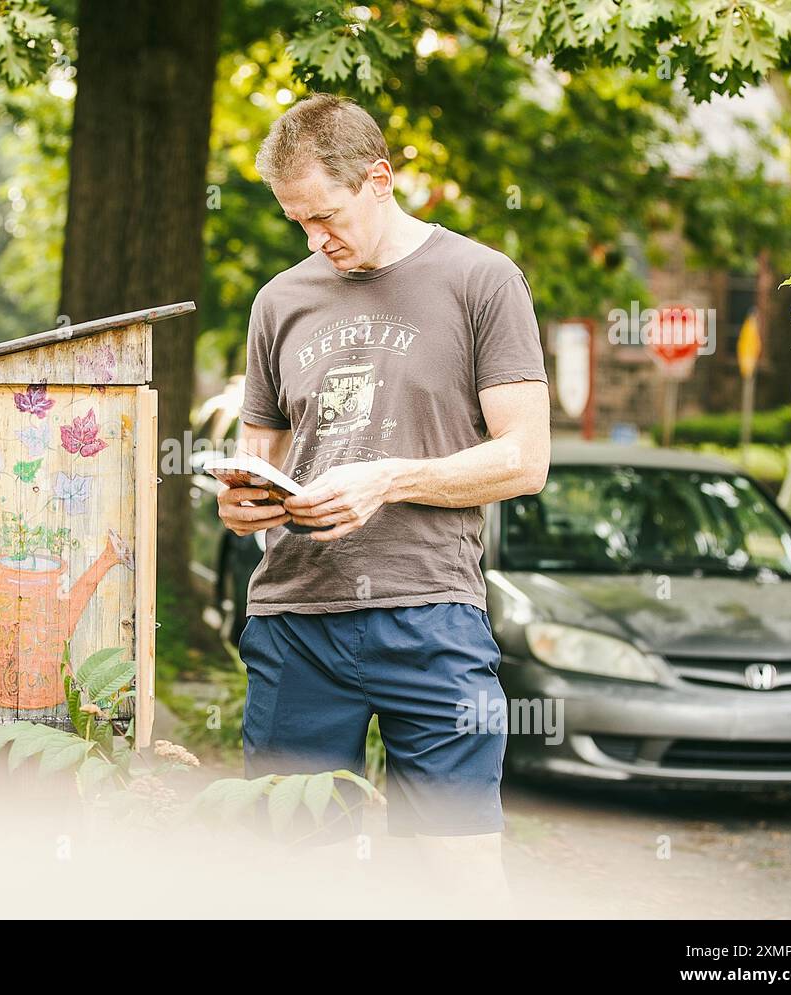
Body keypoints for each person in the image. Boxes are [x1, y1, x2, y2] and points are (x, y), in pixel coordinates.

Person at [218, 93, 551, 911]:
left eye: (325, 216)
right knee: (293, 872)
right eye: (297, 222)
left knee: (456, 871)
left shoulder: (481, 280)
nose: (314, 239)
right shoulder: (279, 301)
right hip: (295, 619)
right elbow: (259, 456)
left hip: (431, 615)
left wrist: (390, 478)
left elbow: (525, 458)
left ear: (379, 179)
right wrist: (243, 503)